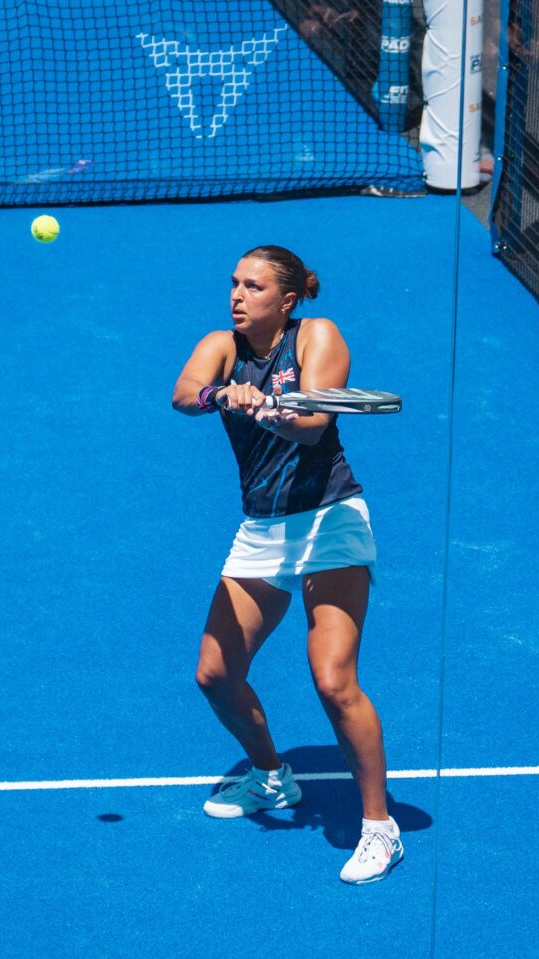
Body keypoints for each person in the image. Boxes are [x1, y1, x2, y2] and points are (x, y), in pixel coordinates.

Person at [171, 245, 403, 885]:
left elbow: (313, 423)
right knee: (215, 674)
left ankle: (380, 827)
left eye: (253, 286)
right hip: (263, 528)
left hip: (330, 521)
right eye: (234, 284)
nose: (237, 296)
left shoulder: (317, 336)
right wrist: (222, 394)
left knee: (333, 680)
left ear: (288, 299)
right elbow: (184, 394)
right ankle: (273, 777)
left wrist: (267, 407)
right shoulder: (222, 346)